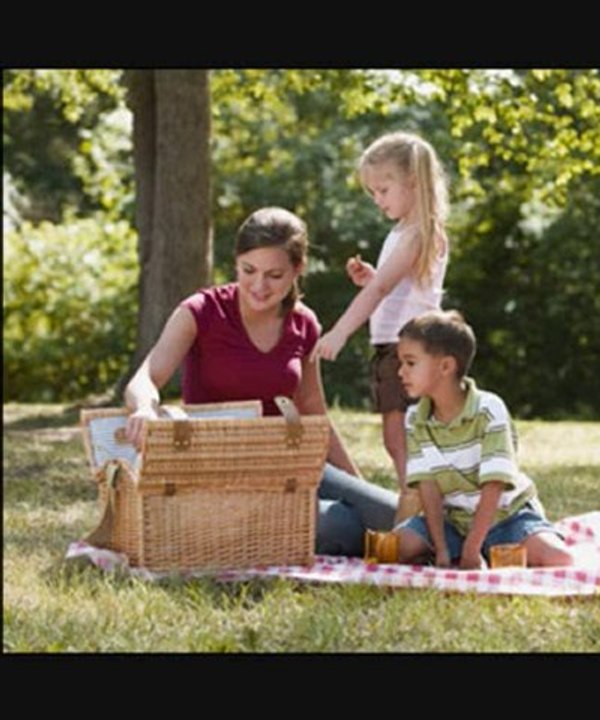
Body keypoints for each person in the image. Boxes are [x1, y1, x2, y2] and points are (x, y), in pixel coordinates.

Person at [123, 206, 397, 557]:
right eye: (248, 270)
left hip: (287, 461)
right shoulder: (201, 311)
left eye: (274, 275)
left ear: (297, 270)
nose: (259, 285)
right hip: (221, 470)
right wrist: (145, 408)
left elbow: (313, 411)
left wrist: (354, 485)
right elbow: (144, 378)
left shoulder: (304, 324)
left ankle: (478, 545)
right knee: (339, 523)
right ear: (236, 261)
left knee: (390, 513)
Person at [311, 132, 449, 521]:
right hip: (397, 348)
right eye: (373, 193)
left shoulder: (418, 232)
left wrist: (339, 332)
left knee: (404, 438)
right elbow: (394, 284)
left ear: (413, 183)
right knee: (399, 438)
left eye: (383, 189)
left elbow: (384, 289)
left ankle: (419, 514)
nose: (378, 200)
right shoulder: (403, 231)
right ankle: (417, 509)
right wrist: (371, 277)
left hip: (412, 350)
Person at [392, 310, 574, 570]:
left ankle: (486, 550)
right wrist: (442, 550)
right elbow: (428, 488)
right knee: (396, 547)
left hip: (507, 518)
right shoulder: (415, 418)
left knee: (560, 560)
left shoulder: (489, 409)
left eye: (410, 363)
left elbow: (494, 484)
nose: (400, 372)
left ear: (446, 366)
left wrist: (471, 549)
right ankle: (480, 553)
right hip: (453, 522)